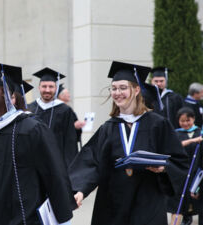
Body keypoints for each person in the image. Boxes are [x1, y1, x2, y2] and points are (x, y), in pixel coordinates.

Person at [0, 58, 77, 225]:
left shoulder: (31, 129)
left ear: (4, 93)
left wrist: (63, 218)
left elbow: (54, 176)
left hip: (25, 220)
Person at [69, 61, 189, 225]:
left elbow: (179, 161)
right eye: (114, 88)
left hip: (148, 200)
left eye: (123, 88)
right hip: (113, 203)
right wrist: (80, 190)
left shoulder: (157, 124)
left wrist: (163, 168)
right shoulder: (109, 127)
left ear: (136, 89)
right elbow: (92, 162)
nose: (118, 93)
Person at [28, 68, 78, 167]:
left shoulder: (64, 110)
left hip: (56, 164)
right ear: (39, 87)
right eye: (44, 86)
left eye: (51, 87)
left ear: (56, 88)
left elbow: (70, 141)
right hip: (33, 164)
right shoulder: (30, 108)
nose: (47, 90)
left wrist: (69, 168)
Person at [167, 107, 203, 225]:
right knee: (179, 200)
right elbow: (175, 147)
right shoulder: (176, 133)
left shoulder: (199, 132)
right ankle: (182, 219)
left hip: (196, 171)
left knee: (196, 198)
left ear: (193, 119)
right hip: (180, 171)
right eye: (182, 121)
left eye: (188, 120)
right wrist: (193, 141)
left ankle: (191, 216)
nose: (185, 123)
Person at [58, 84, 85, 149]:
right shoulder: (58, 110)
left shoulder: (68, 109)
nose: (69, 95)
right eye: (67, 93)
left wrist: (78, 127)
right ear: (60, 96)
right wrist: (73, 126)